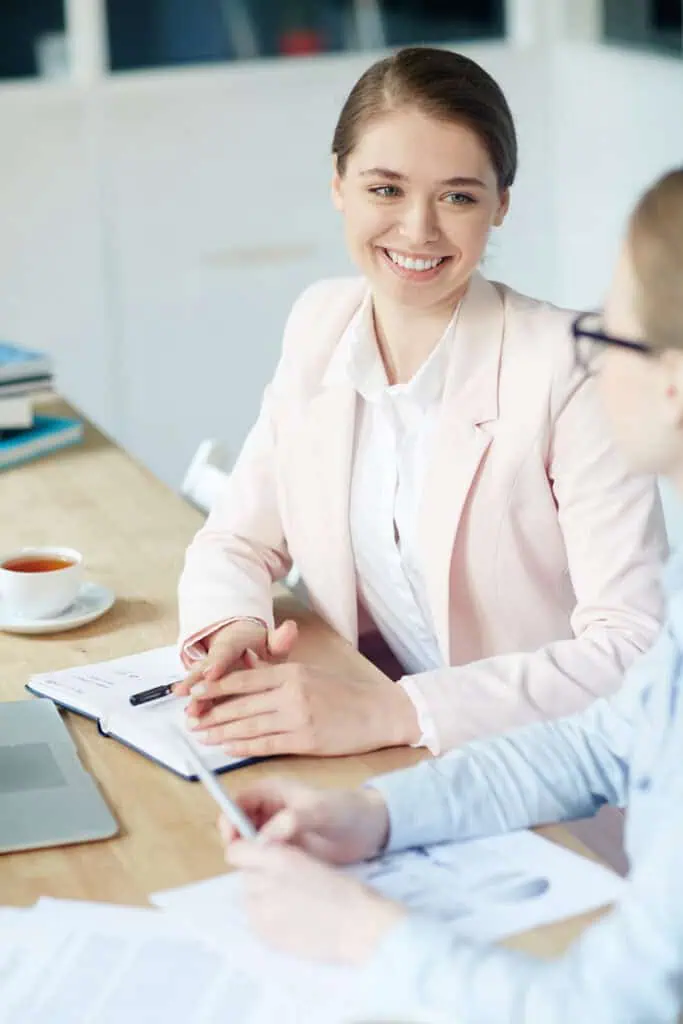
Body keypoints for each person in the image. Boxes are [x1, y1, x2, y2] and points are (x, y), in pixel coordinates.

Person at [221, 168, 683, 1022]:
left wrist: (363, 933)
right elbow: (598, 748)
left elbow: (604, 1010)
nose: (588, 355)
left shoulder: (538, 370)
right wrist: (371, 814)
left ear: (672, 384)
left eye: (607, 334)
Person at [175, 47, 665, 761]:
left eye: (457, 196)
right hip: (392, 755)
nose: (417, 230)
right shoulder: (321, 325)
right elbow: (237, 540)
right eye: (384, 189)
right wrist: (235, 631)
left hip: (560, 769)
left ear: (500, 205)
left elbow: (633, 647)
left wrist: (394, 711)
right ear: (338, 183)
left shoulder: (570, 368)